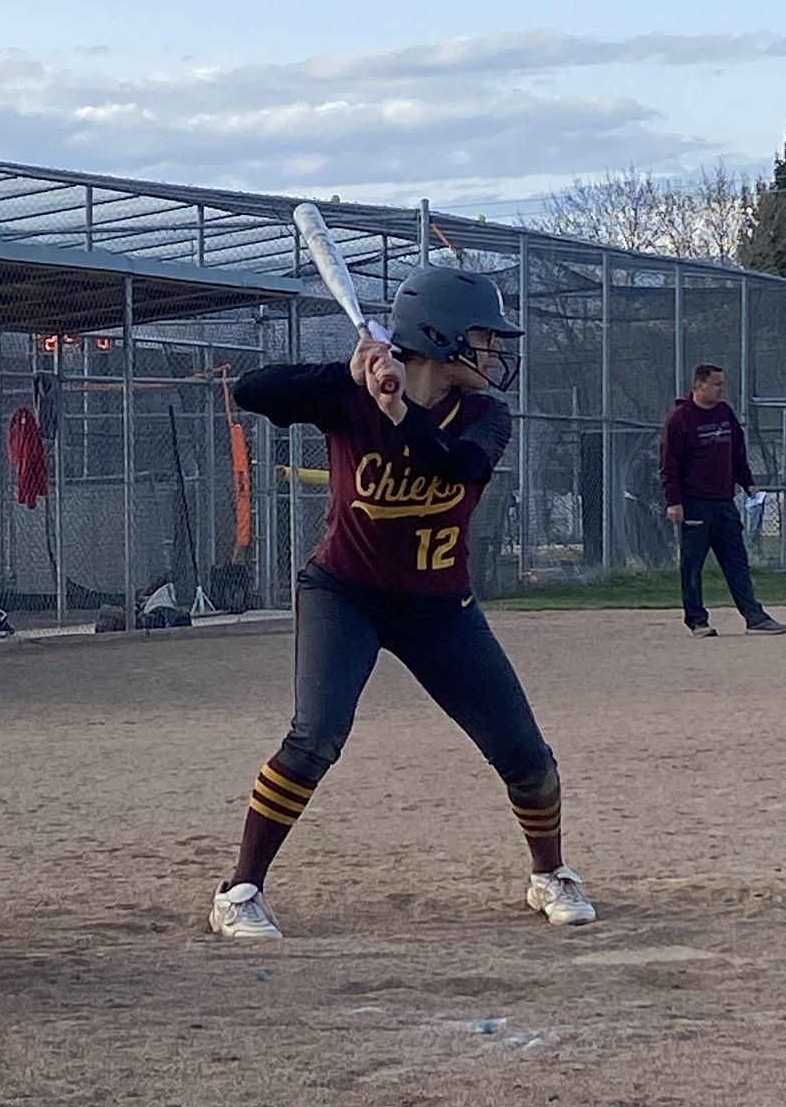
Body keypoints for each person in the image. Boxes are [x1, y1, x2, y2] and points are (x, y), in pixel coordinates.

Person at [210, 266, 596, 940]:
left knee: (526, 757)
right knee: (315, 737)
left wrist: (400, 413)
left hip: (441, 607)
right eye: (483, 338)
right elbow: (253, 389)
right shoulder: (349, 391)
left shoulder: (485, 415)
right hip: (345, 593)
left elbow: (458, 466)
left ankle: (550, 875)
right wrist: (349, 370)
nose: (495, 353)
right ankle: (238, 890)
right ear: (440, 339)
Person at [660, 364, 786, 638]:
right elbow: (669, 465)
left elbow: (737, 454)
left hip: (724, 503)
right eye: (716, 384)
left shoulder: (725, 414)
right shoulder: (680, 419)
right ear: (700, 386)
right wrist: (675, 502)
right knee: (693, 564)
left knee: (736, 561)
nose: (722, 389)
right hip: (695, 503)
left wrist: (749, 484)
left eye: (722, 384)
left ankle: (755, 618)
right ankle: (697, 621)